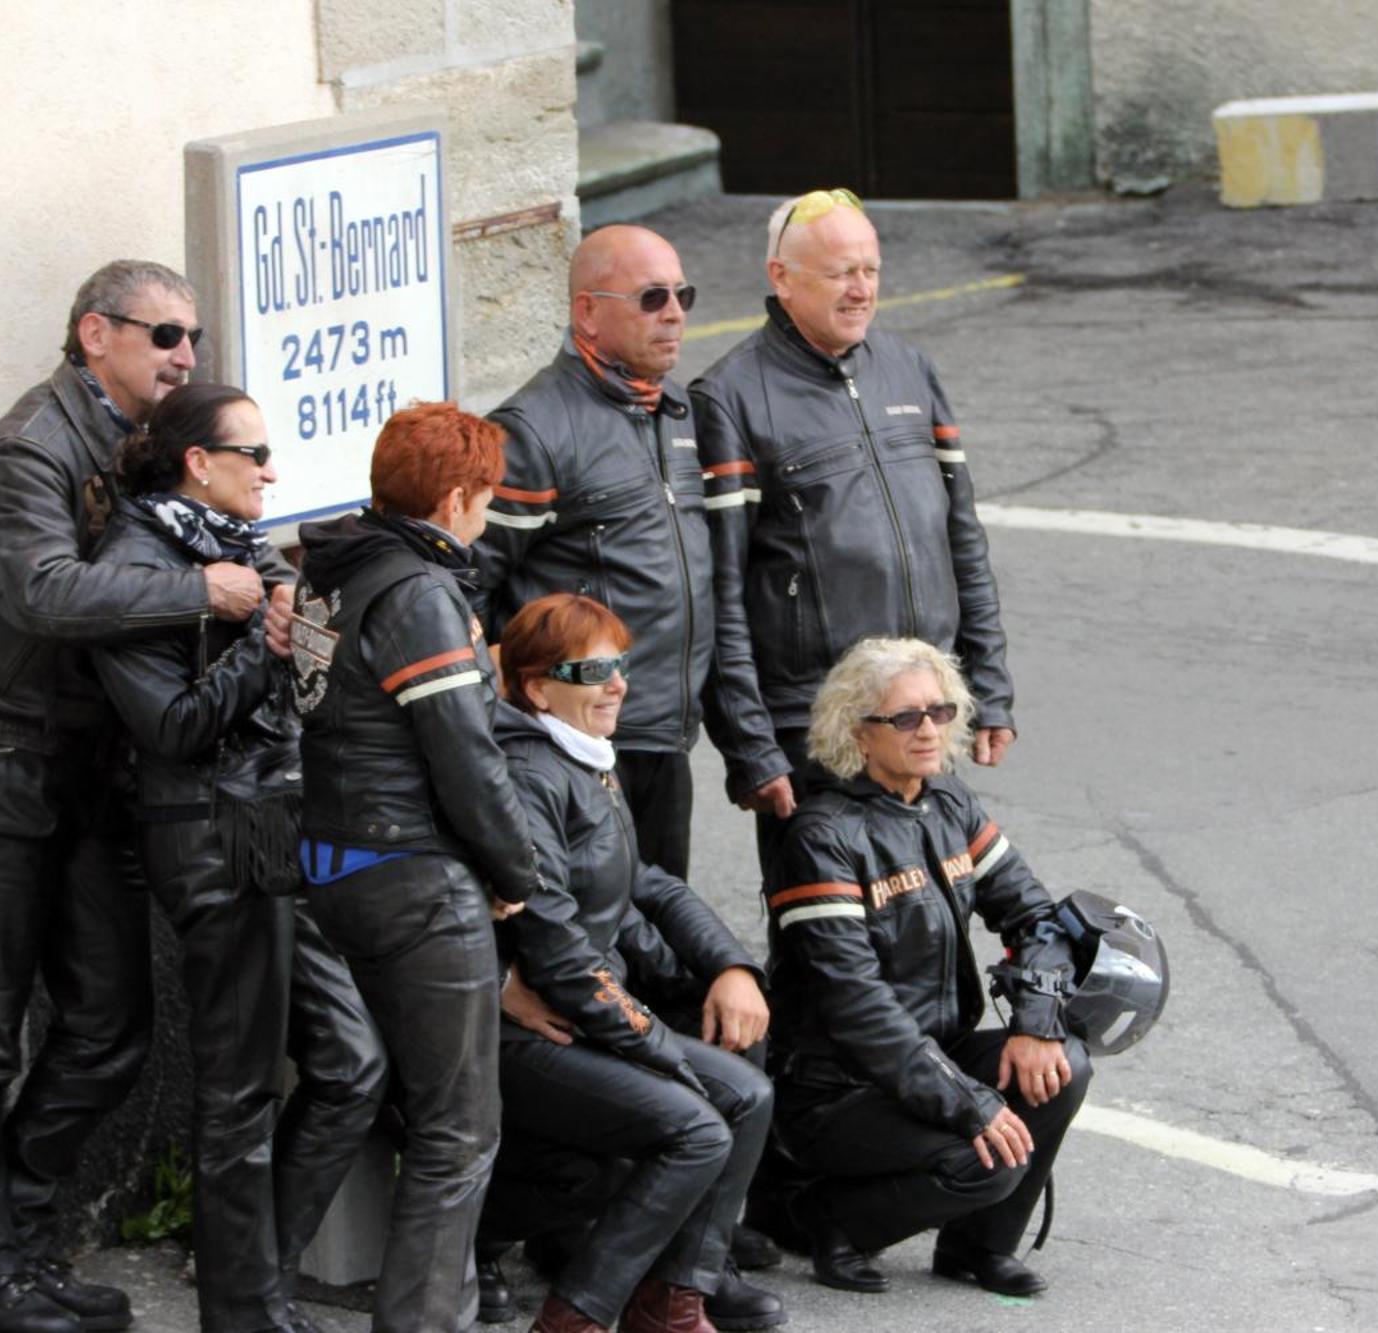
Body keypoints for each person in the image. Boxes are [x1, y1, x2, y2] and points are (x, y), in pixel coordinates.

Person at [0, 260, 288, 1333]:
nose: (186, 356)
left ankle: (21, 1237)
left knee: (111, 1022)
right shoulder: (26, 450)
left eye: (195, 338)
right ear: (95, 334)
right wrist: (199, 588)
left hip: (88, 762)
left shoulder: (131, 451)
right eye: (165, 334)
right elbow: (40, 593)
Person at [89, 384, 384, 1333]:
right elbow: (171, 726)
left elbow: (297, 686)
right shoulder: (141, 560)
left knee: (350, 1061)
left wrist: (309, 635)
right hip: (205, 827)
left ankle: (257, 1273)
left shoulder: (241, 549)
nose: (271, 469)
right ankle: (243, 1307)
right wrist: (267, 645)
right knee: (240, 1087)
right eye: (252, 453)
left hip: (268, 820)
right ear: (196, 464)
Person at [291, 401, 542, 1333]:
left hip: (332, 864)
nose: (488, 513)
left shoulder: (332, 571)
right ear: (453, 497)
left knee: (362, 1087)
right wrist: (516, 870)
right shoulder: (422, 595)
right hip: (414, 877)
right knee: (458, 1128)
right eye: (485, 497)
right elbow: (466, 758)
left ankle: (258, 1283)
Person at [478, 594, 779, 1333]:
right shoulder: (531, 774)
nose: (618, 683)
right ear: (538, 686)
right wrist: (653, 1043)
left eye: (621, 663)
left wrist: (730, 967)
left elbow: (645, 882)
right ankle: (576, 1316)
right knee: (699, 1124)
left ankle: (674, 1297)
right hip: (527, 1029)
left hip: (582, 1015)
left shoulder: (583, 759)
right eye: (594, 670)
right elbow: (556, 947)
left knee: (747, 1091)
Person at [690, 189, 1016, 856]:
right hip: (816, 724)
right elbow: (717, 592)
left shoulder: (909, 368)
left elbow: (961, 541)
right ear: (781, 277)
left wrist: (989, 687)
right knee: (829, 938)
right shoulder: (728, 397)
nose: (861, 289)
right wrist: (752, 745)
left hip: (925, 707)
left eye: (871, 270)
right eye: (841, 272)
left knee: (929, 910)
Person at [764, 638, 1090, 1297]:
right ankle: (829, 1220)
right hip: (838, 1090)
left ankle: (977, 1248)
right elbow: (857, 1006)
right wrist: (970, 1103)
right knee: (988, 1154)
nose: (930, 729)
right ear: (857, 730)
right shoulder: (820, 834)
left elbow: (1040, 919)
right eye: (906, 717)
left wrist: (1037, 1021)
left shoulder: (950, 805)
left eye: (939, 711)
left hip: (932, 1056)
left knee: (1064, 1064)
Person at [474, 224, 711, 880]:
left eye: (683, 295)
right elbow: (466, 584)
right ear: (587, 311)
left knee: (662, 930)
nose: (674, 313)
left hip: (662, 731)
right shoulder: (533, 429)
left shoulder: (678, 412)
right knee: (591, 937)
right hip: (573, 736)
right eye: (651, 297)